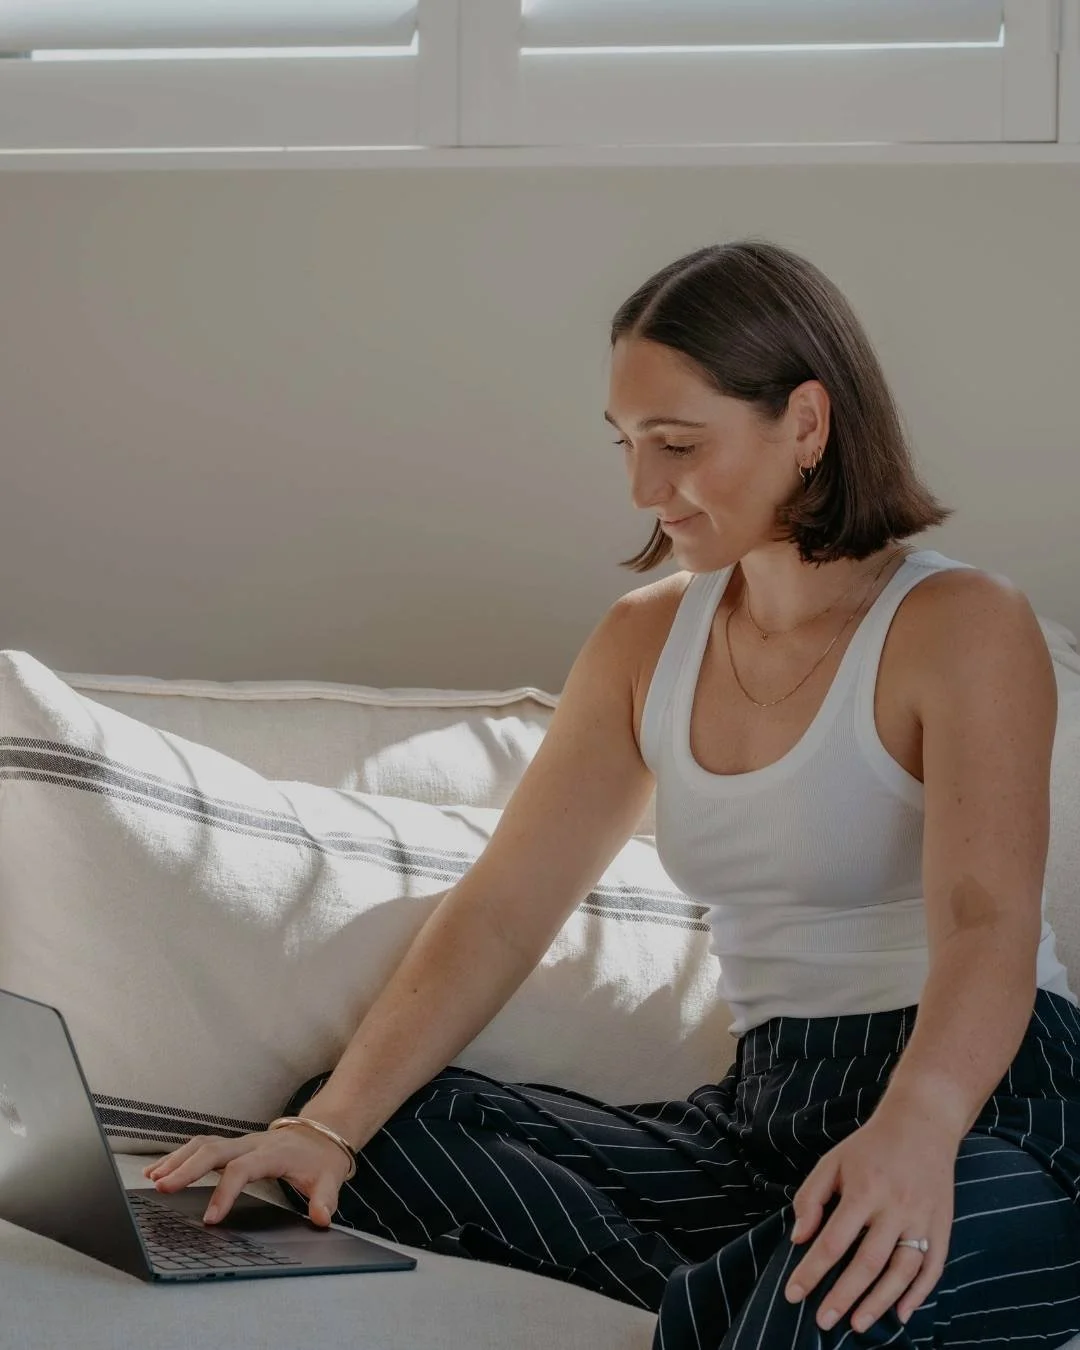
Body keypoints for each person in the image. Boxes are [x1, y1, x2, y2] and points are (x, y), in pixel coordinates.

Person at [142, 240, 1080, 1347]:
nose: (644, 489)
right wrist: (327, 1125)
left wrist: (917, 1131)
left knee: (828, 1306)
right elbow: (501, 912)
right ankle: (747, 1293)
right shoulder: (646, 642)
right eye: (628, 444)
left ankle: (802, 1290)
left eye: (679, 445)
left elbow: (988, 921)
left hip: (987, 1103)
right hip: (766, 1114)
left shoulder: (964, 625)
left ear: (809, 425)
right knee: (381, 1134)